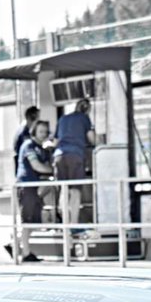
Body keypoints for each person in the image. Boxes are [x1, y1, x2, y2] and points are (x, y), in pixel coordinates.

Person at [11, 120, 56, 262]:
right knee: (27, 221)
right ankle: (25, 253)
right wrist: (55, 171)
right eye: (41, 131)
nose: (44, 134)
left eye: (46, 132)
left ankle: (16, 246)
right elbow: (37, 166)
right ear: (34, 132)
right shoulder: (28, 145)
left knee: (33, 221)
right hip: (26, 186)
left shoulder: (41, 148)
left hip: (35, 187)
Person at [52, 98, 96, 229]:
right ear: (87, 110)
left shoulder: (63, 119)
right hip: (75, 155)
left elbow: (55, 142)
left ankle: (64, 222)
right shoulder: (84, 118)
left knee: (64, 190)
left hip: (59, 156)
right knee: (75, 191)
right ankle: (74, 224)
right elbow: (92, 139)